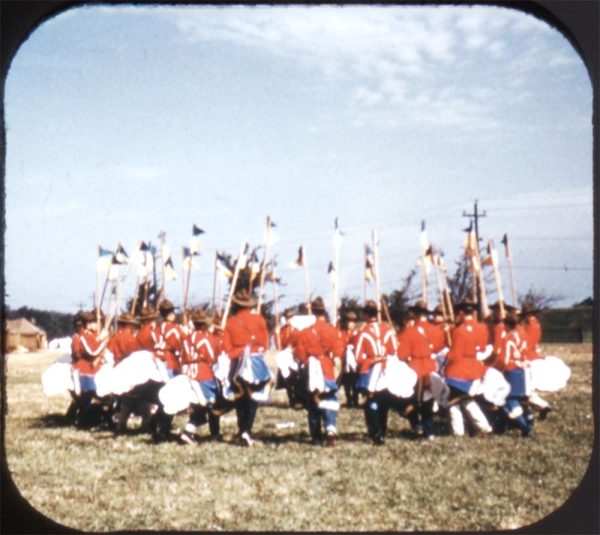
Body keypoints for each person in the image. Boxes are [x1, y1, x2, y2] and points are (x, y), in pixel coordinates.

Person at [222, 289, 272, 447]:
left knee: (239, 396)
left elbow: (227, 346)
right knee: (254, 395)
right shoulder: (259, 320)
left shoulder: (230, 322)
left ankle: (242, 428)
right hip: (256, 360)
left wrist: (236, 354)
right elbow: (265, 343)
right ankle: (246, 431)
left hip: (237, 362)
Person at [294, 297, 344, 446]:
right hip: (326, 367)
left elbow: (300, 355)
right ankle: (330, 428)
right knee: (329, 398)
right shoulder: (332, 330)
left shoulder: (306, 332)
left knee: (313, 402)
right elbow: (338, 351)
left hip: (311, 368)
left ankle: (316, 436)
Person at [354, 300, 404, 445]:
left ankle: (376, 433)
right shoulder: (388, 329)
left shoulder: (362, 333)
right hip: (387, 369)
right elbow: (394, 350)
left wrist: (370, 359)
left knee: (371, 401)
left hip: (372, 369)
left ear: (365, 315)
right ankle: (382, 430)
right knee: (384, 401)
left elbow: (358, 357)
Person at [443, 300, 494, 436]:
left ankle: (458, 431)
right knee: (465, 399)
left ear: (461, 313)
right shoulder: (482, 328)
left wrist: (445, 352)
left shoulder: (459, 331)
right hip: (476, 367)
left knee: (453, 402)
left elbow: (455, 354)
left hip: (459, 370)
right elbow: (482, 347)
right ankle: (483, 427)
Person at [179, 309, 225, 444]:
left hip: (189, 373)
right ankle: (211, 433)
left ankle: (197, 432)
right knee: (212, 405)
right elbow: (213, 357)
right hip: (203, 373)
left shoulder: (186, 338)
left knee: (198, 405)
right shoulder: (205, 339)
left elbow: (182, 356)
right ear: (204, 325)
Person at [398, 301, 439, 440]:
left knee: (410, 399)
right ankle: (430, 431)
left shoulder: (409, 331)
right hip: (431, 366)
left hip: (415, 368)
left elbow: (402, 354)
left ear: (415, 314)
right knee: (428, 401)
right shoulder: (436, 330)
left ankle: (417, 426)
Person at [491, 309, 533, 437]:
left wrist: (498, 367)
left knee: (509, 398)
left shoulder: (509, 338)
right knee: (519, 398)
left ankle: (523, 424)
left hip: (511, 369)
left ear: (507, 324)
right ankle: (527, 418)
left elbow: (505, 358)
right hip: (522, 368)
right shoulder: (523, 334)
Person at [74, 310, 109, 428]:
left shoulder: (91, 335)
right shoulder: (83, 337)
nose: (97, 325)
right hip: (86, 370)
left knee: (92, 396)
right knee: (89, 396)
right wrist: (104, 341)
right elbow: (92, 351)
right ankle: (84, 420)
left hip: (93, 370)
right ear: (88, 324)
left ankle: (89, 419)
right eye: (94, 322)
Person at [340, 310, 360, 408]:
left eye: (352, 322)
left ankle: (355, 399)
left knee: (355, 380)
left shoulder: (357, 333)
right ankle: (349, 399)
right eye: (348, 321)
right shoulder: (342, 333)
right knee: (346, 381)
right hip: (345, 359)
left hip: (354, 359)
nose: (349, 324)